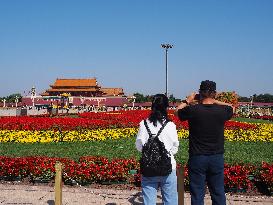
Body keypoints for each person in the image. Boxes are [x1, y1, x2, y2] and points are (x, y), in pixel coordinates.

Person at [175, 80, 234, 205]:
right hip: (216, 157)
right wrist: (213, 100)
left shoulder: (193, 110)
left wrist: (188, 100)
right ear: (215, 93)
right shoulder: (222, 111)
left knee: (197, 193)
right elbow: (232, 107)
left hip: (197, 157)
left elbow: (177, 111)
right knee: (218, 191)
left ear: (200, 93)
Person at [136, 94, 179, 205]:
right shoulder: (171, 125)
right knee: (170, 201)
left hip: (148, 167)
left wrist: (151, 154)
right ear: (166, 107)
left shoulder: (143, 124)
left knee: (149, 201)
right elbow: (175, 148)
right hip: (168, 166)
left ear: (152, 106)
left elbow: (139, 147)